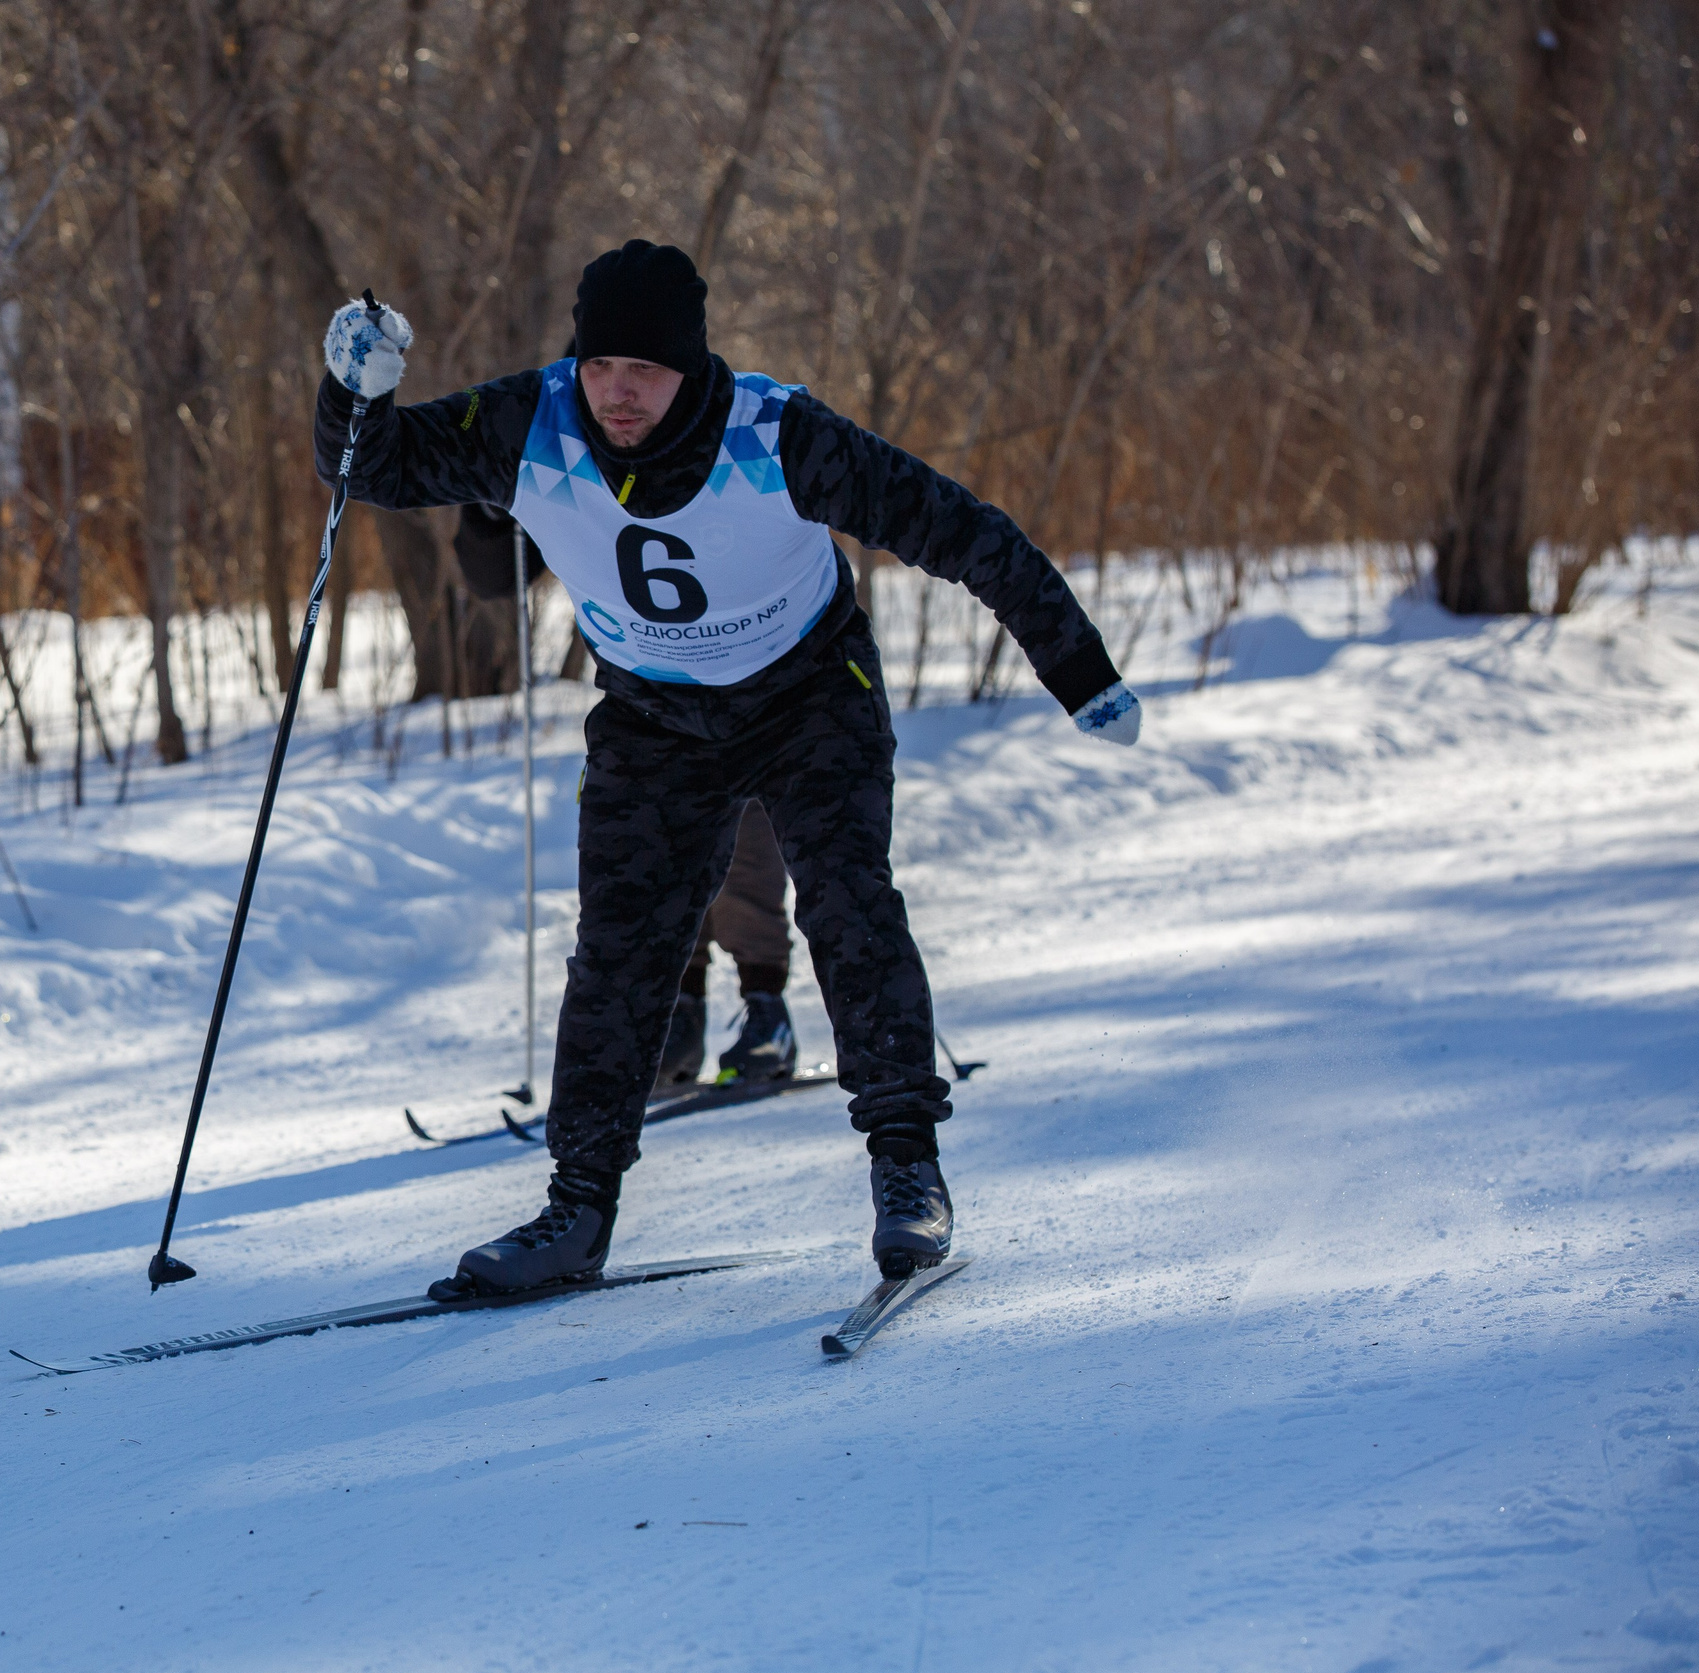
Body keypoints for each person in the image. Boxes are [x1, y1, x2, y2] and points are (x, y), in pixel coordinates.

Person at [317, 240, 1141, 1294]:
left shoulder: (774, 434)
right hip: (653, 715)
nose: (617, 393)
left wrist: (1078, 669)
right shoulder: (534, 422)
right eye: (600, 366)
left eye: (644, 371)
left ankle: (906, 1167)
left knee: (848, 904)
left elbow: (963, 532)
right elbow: (372, 467)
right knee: (619, 950)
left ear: (690, 366)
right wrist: (353, 389)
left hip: (807, 695)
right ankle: (578, 1208)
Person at [458, 504, 799, 1089]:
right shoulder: (569, 459)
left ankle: (765, 1006)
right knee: (660, 853)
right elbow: (495, 574)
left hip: (746, 651)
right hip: (643, 677)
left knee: (744, 832)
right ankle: (679, 1014)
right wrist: (492, 510)